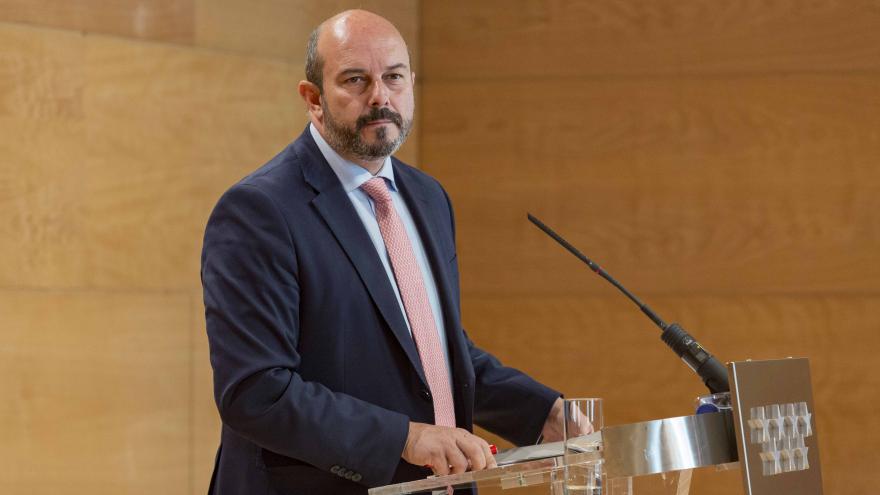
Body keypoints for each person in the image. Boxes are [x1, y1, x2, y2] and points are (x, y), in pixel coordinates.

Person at [201, 9, 573, 495]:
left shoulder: (427, 198)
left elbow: (432, 353)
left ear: (412, 85)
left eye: (394, 77)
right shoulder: (260, 211)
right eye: (355, 80)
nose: (380, 97)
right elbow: (256, 392)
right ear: (312, 98)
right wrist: (404, 437)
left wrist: (540, 412)